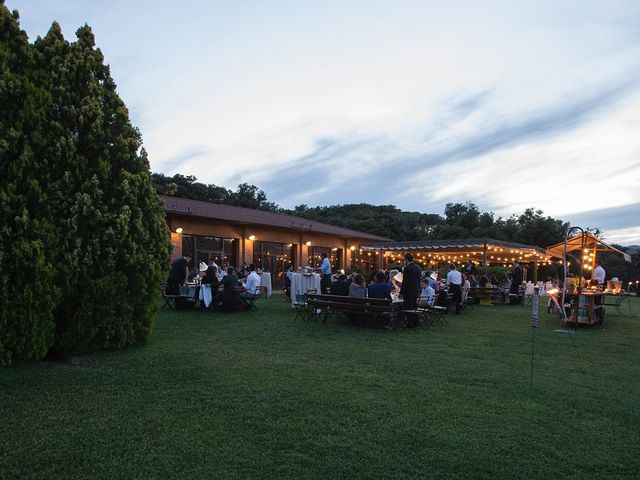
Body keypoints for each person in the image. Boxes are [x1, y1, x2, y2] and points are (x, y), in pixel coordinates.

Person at [400, 253, 421, 327]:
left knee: (408, 307)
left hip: (408, 291)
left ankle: (410, 323)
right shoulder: (418, 267)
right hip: (416, 290)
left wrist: (401, 292)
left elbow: (405, 281)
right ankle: (416, 321)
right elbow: (419, 280)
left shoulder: (407, 268)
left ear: (407, 259)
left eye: (404, 259)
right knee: (414, 306)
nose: (404, 261)